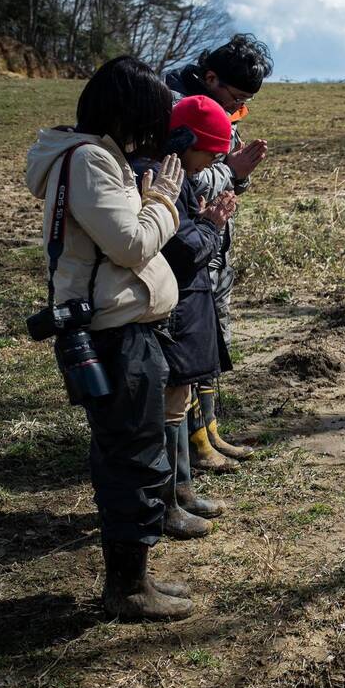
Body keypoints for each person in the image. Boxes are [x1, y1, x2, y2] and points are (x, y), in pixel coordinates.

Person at [26, 56, 191, 621]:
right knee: (132, 458)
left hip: (123, 331)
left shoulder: (91, 157)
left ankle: (135, 576)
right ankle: (127, 588)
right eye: (151, 116)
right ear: (129, 114)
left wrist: (146, 203)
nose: (156, 130)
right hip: (116, 337)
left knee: (131, 451)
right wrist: (163, 201)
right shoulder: (92, 160)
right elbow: (131, 246)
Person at [130, 95, 237, 540]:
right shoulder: (155, 175)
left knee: (179, 400)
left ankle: (183, 490)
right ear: (184, 140)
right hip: (171, 308)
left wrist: (204, 223)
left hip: (187, 305)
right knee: (169, 407)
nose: (209, 164)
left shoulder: (178, 175)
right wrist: (210, 227)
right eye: (208, 153)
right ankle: (170, 500)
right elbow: (181, 246)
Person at [165, 34, 273, 472]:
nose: (235, 113)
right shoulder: (175, 110)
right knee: (191, 346)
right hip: (188, 245)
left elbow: (223, 176)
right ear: (211, 78)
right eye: (235, 100)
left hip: (214, 242)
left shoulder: (218, 110)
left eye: (243, 107)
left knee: (213, 341)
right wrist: (230, 170)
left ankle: (209, 429)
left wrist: (239, 174)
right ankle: (193, 441)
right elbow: (185, 182)